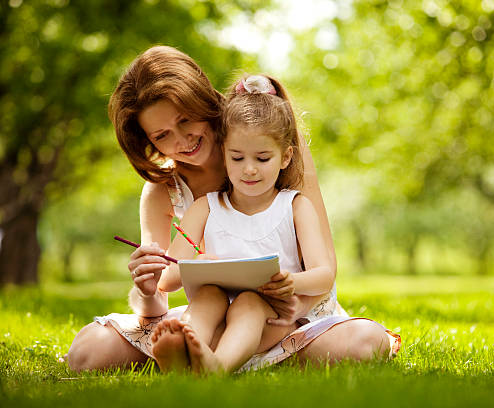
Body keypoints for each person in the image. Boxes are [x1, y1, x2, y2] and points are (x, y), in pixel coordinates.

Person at [66, 45, 400, 372]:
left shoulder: (265, 142)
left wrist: (275, 318)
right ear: (149, 142)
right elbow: (158, 302)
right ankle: (209, 353)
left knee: (365, 342)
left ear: (202, 99)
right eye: (163, 136)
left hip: (292, 315)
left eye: (185, 120)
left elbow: (323, 272)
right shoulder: (163, 191)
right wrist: (146, 288)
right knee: (87, 351)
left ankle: (219, 356)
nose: (182, 141)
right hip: (210, 314)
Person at [156, 74, 337, 373]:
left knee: (248, 302)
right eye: (237, 158)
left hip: (271, 316)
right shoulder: (205, 208)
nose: (249, 170)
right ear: (223, 155)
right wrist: (199, 262)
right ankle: (186, 346)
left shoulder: (295, 207)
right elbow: (167, 279)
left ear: (285, 157)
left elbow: (324, 274)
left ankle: (217, 366)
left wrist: (292, 282)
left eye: (263, 158)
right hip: (217, 312)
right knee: (209, 297)